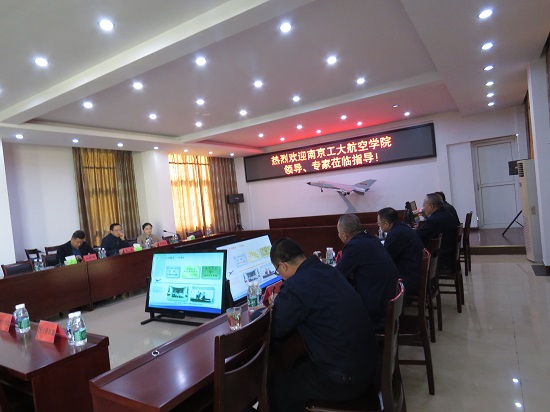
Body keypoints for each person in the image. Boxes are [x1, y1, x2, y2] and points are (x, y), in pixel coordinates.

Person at [268, 237, 378, 412]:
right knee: (297, 363)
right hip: (369, 366)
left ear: (283, 266)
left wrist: (265, 312)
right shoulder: (328, 270)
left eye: (277, 271)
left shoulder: (295, 286)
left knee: (277, 388)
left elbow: (274, 329)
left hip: (345, 378)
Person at [336, 213, 399, 330]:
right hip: (389, 302)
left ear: (344, 234)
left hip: (377, 313)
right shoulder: (370, 238)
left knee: (334, 311)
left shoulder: (354, 246)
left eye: (338, 232)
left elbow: (337, 275)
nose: (338, 235)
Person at [378, 207, 424, 296]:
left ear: (386, 224)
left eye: (379, 223)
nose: (379, 226)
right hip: (414, 271)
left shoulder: (395, 234)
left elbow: (385, 258)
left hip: (408, 278)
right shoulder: (402, 227)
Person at [416, 193, 459, 271]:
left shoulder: (434, 220)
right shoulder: (446, 213)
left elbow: (418, 237)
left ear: (431, 206)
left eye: (424, 205)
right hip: (449, 256)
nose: (423, 208)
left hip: (441, 261)